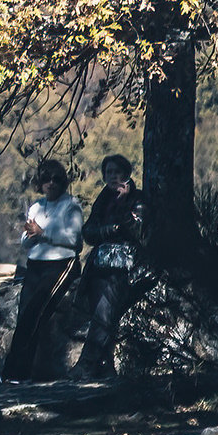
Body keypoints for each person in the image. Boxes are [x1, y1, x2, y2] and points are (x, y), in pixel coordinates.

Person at [0, 160, 86, 382]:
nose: (51, 184)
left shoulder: (71, 206)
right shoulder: (36, 207)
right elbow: (26, 243)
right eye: (47, 179)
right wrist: (30, 235)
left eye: (57, 179)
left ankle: (18, 371)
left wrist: (44, 233)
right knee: (24, 315)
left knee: (36, 312)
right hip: (36, 264)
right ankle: (15, 372)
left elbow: (75, 241)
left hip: (61, 264)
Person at [75, 154, 143, 379]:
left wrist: (123, 208)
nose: (113, 177)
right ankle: (105, 367)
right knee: (102, 314)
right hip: (99, 266)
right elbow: (88, 232)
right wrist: (108, 230)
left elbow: (136, 231)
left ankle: (85, 364)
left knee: (104, 314)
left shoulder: (138, 199)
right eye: (109, 172)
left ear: (126, 175)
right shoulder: (102, 199)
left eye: (117, 172)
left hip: (123, 268)